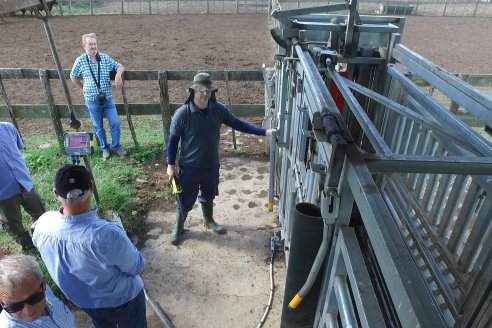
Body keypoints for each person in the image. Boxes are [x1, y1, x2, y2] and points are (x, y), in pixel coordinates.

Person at [32, 164, 147, 328]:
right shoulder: (108, 235)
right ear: (91, 187)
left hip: (84, 302)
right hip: (122, 301)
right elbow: (137, 268)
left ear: (56, 194)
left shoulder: (43, 224)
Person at [166, 72, 274, 245]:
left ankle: (208, 220)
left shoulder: (218, 110)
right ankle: (179, 228)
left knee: (209, 194)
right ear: (193, 91)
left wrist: (263, 132)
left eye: (208, 90)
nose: (204, 94)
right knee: (185, 198)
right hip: (190, 166)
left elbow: (238, 123)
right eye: (200, 90)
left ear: (212, 92)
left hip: (211, 164)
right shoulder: (182, 114)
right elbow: (172, 140)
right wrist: (171, 164)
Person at [70, 32, 127, 161]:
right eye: (90, 44)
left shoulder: (105, 58)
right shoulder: (80, 61)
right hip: (92, 101)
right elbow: (73, 76)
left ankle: (116, 146)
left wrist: (118, 75)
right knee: (98, 126)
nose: (93, 46)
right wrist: (82, 88)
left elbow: (120, 66)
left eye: (95, 44)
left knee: (115, 123)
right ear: (84, 46)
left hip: (107, 99)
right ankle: (105, 149)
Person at [0, 122, 45, 252]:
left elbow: (16, 151)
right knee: (13, 225)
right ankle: (29, 247)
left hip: (25, 184)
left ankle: (42, 240)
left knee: (40, 214)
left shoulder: (8, 128)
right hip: (3, 193)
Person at [0, 255, 76, 327]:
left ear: (44, 284)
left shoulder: (46, 291)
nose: (28, 311)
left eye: (34, 298)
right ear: (1, 302)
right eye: (14, 307)